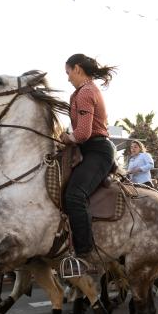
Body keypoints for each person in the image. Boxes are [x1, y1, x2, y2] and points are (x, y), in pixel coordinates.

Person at [60, 53, 117, 273]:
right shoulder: (83, 91)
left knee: (74, 195)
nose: (67, 78)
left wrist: (67, 138)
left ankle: (85, 255)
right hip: (88, 150)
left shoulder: (85, 93)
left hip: (96, 150)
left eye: (67, 73)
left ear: (77, 69)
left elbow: (82, 133)